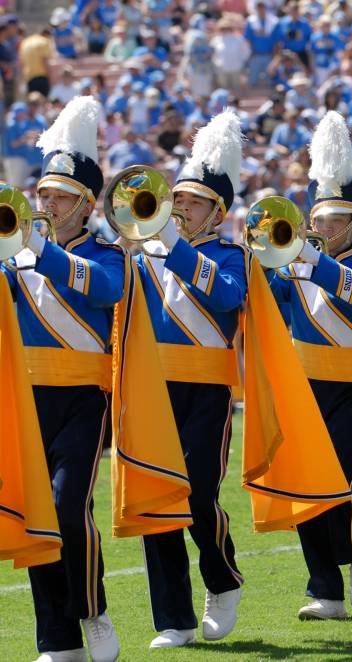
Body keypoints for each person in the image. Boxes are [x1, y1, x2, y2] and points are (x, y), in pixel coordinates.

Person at [4, 96, 123, 662]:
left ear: (83, 205)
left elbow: (105, 290)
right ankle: (57, 639)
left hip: (83, 398)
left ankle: (93, 610)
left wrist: (39, 250)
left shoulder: (107, 254)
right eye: (42, 194)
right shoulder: (16, 258)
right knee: (36, 516)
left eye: (57, 197)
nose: (44, 203)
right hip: (27, 400)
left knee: (67, 503)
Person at [135, 112, 248, 649]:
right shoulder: (148, 258)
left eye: (193, 202)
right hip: (154, 392)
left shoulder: (233, 255)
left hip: (207, 393)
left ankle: (222, 581)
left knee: (198, 496)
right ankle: (174, 620)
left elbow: (226, 297)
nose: (180, 209)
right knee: (157, 499)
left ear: (218, 211)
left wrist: (171, 250)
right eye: (177, 200)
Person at [267, 112, 352, 620]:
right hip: (302, 385)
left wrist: (318, 264)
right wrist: (269, 263)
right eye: (318, 220)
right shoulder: (298, 265)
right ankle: (325, 590)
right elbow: (266, 305)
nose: (321, 227)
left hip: (350, 388)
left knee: (340, 479)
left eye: (334, 220)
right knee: (305, 485)